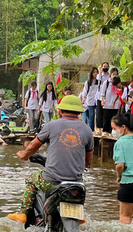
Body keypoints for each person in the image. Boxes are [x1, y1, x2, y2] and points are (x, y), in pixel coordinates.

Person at [8, 95, 94, 223]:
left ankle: (23, 213)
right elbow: (88, 161)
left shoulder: (51, 125)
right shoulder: (87, 130)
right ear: (79, 112)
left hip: (52, 181)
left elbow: (34, 145)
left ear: (60, 111)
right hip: (76, 184)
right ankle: (79, 214)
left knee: (32, 179)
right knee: (78, 191)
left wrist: (24, 155)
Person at [95, 62, 111, 136]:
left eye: (107, 66)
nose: (105, 68)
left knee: (106, 114)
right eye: (104, 66)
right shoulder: (100, 76)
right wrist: (100, 72)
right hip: (99, 97)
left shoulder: (110, 76)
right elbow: (98, 79)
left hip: (107, 98)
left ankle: (105, 130)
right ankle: (98, 129)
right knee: (99, 113)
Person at [82, 67, 100, 131]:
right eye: (94, 72)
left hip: (97, 100)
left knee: (98, 116)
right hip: (90, 100)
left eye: (96, 72)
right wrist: (83, 99)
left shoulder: (99, 81)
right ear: (91, 73)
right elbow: (85, 91)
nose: (95, 73)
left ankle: (98, 129)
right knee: (91, 116)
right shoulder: (88, 82)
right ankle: (91, 130)